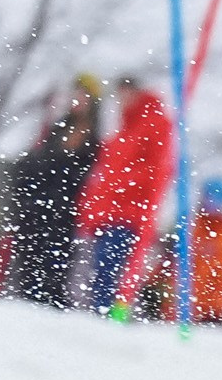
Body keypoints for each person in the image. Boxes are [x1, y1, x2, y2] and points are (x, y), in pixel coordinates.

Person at [74, 77, 174, 313]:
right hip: (108, 215)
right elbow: (104, 175)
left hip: (128, 216)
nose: (122, 101)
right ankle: (100, 314)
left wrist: (122, 183)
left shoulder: (153, 124)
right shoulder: (123, 131)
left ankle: (109, 315)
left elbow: (157, 170)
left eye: (126, 95)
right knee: (99, 273)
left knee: (111, 272)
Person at [0, 84, 100, 307]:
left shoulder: (92, 140)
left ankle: (48, 304)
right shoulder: (58, 129)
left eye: (83, 97)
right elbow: (39, 164)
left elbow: (80, 176)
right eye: (75, 96)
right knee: (29, 263)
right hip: (37, 209)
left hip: (64, 214)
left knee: (55, 266)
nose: (77, 101)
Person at [148, 177, 222, 325]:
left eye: (216, 199)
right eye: (208, 197)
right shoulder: (189, 225)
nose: (211, 203)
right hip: (174, 306)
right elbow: (168, 261)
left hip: (209, 312)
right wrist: (154, 286)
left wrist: (213, 306)